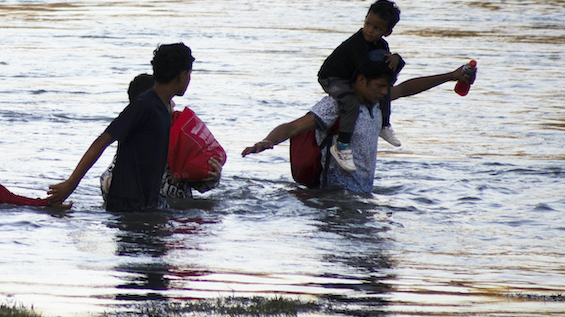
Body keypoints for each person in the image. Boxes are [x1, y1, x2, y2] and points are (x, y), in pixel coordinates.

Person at [243, 58, 476, 192]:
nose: (385, 93)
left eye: (387, 88)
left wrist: (450, 76)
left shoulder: (375, 104)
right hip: (332, 200)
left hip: (360, 197)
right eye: (380, 87)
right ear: (361, 81)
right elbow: (293, 127)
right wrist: (268, 141)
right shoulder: (336, 106)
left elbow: (405, 89)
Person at [48, 43, 196, 212]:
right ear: (182, 76)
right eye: (190, 74)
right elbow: (102, 141)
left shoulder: (164, 108)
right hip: (127, 206)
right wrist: (70, 184)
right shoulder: (144, 105)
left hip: (149, 204)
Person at [102, 73, 223, 204]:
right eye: (168, 100)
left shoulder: (181, 138)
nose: (174, 104)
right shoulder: (134, 142)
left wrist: (212, 177)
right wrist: (112, 184)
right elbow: (107, 177)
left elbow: (199, 183)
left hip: (175, 210)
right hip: (151, 207)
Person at [318, 0, 406, 173]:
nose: (369, 30)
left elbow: (383, 72)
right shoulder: (357, 44)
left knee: (384, 89)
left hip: (352, 77)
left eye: (376, 28)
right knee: (351, 103)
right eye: (368, 24)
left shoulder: (382, 45)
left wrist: (397, 59)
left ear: (387, 32)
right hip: (333, 78)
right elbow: (365, 70)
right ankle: (341, 146)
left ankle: (384, 125)